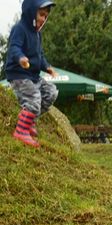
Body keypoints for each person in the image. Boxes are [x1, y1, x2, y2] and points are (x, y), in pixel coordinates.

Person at [4, 0, 58, 148]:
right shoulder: (19, 29)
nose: (43, 19)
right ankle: (20, 131)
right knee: (34, 99)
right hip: (19, 75)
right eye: (41, 14)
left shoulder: (37, 35)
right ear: (30, 11)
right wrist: (20, 58)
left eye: (46, 16)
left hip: (33, 76)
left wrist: (47, 67)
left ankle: (28, 121)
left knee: (51, 93)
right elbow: (14, 47)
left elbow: (39, 56)